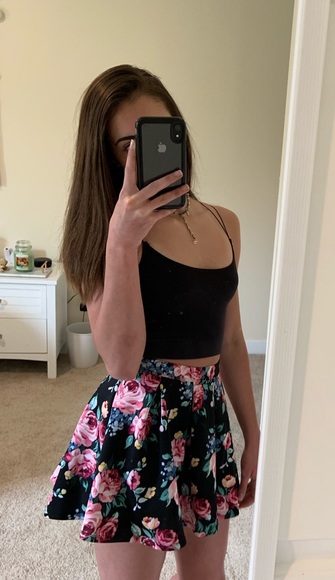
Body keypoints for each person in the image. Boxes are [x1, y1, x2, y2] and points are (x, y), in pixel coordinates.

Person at [45, 64, 260, 580]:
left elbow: (231, 340)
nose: (150, 154)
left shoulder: (225, 223)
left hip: (206, 422)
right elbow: (121, 362)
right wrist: (122, 242)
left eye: (162, 134)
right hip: (139, 427)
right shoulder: (102, 233)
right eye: (129, 145)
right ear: (106, 156)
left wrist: (252, 433)